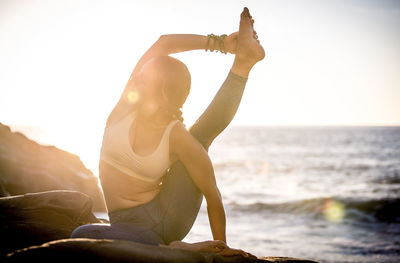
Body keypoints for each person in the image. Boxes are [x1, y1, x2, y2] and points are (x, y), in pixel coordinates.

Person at [71, 7, 265, 258]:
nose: (135, 80)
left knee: (80, 235)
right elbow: (164, 43)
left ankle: (243, 65)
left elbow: (212, 195)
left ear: (163, 94)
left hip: (164, 220)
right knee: (81, 234)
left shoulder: (177, 137)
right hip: (125, 223)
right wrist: (219, 44)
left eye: (145, 78)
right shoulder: (122, 111)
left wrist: (222, 248)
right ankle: (243, 62)